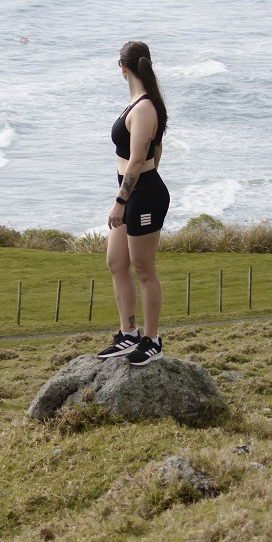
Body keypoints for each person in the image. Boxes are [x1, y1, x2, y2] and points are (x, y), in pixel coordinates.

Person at [96, 40, 170, 366]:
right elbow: (157, 151)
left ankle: (152, 341)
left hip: (141, 195)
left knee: (143, 269)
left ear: (122, 67)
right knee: (116, 262)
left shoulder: (144, 108)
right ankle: (128, 334)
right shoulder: (137, 103)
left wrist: (120, 201)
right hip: (132, 193)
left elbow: (140, 158)